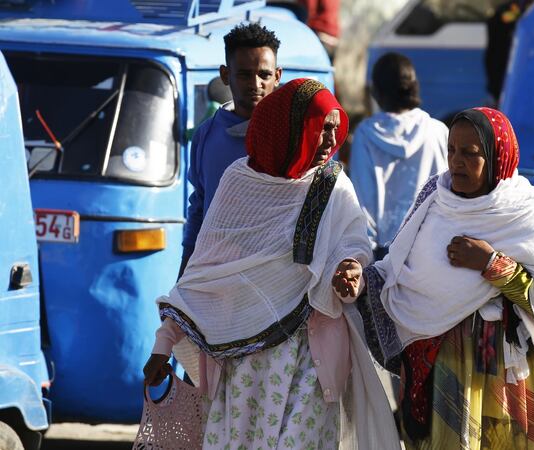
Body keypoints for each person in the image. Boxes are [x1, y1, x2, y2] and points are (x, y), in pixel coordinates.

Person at [143, 78, 399, 449]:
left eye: (334, 128)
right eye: (321, 128)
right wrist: (162, 346)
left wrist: (351, 271)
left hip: (310, 360)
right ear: (290, 128)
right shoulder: (239, 183)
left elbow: (353, 247)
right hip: (242, 365)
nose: (330, 140)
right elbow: (205, 275)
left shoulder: (333, 185)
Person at [333, 107, 534, 449]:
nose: (456, 161)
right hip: (442, 367)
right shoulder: (435, 196)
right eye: (451, 150)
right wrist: (361, 280)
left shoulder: (530, 210)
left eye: (470, 153)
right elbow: (398, 267)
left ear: (498, 158)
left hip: (506, 369)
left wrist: (491, 264)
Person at [180, 23, 283, 278]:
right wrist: (186, 269)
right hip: (217, 272)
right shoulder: (206, 135)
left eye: (264, 75)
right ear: (226, 75)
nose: (255, 83)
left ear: (278, 76)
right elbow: (199, 206)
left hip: (275, 275)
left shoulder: (291, 135)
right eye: (244, 74)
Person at [349, 52, 448, 257]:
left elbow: (362, 198)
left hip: (384, 252)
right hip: (433, 245)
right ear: (414, 86)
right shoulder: (438, 131)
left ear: (376, 92)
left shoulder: (365, 134)